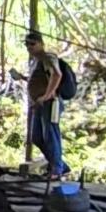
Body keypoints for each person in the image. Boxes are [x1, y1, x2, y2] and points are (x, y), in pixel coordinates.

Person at [24, 31, 70, 179]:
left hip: (50, 102)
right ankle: (60, 164)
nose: (29, 47)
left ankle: (56, 169)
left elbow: (57, 74)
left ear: (41, 44)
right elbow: (40, 80)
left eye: (33, 43)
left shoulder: (48, 57)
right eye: (27, 44)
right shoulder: (35, 61)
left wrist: (47, 95)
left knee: (50, 135)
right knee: (36, 136)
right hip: (39, 103)